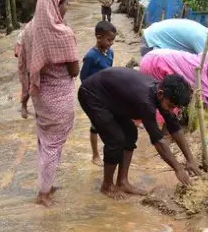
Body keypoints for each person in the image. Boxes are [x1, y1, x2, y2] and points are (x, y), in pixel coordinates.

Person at [78, 68, 199, 197]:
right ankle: (107, 186)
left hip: (112, 97)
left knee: (130, 134)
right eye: (170, 106)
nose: (171, 110)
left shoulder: (161, 94)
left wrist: (190, 160)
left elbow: (174, 127)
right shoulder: (146, 101)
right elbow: (158, 141)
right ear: (160, 94)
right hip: (91, 95)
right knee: (115, 139)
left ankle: (122, 182)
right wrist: (178, 168)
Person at [17, 0, 80, 207]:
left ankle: (47, 183)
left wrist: (24, 96)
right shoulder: (63, 33)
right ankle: (43, 193)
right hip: (59, 97)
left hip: (40, 96)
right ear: (55, 5)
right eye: (65, 3)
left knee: (45, 142)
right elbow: (74, 71)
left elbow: (22, 58)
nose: (67, 7)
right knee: (54, 145)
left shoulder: (29, 29)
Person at [140, 49, 208, 128]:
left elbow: (206, 91)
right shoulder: (200, 69)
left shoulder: (195, 60)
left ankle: (149, 119)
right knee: (171, 99)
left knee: (154, 94)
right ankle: (163, 127)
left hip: (149, 58)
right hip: (155, 65)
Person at [81, 20, 116, 166]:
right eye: (109, 40)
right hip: (93, 95)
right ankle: (95, 155)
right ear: (98, 37)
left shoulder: (110, 53)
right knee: (95, 125)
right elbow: (83, 77)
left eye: (113, 40)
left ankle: (109, 148)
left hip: (106, 94)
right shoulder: (90, 57)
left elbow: (109, 72)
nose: (111, 43)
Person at [140, 18, 208, 56]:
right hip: (152, 43)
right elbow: (205, 66)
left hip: (151, 36)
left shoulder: (203, 31)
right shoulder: (203, 40)